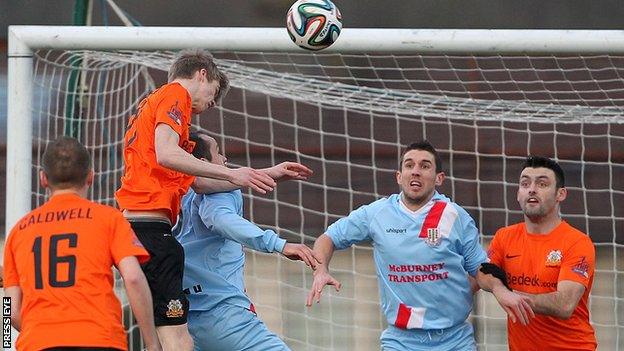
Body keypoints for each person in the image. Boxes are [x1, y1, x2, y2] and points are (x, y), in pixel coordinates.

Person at [115, 50, 280, 350]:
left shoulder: (151, 108)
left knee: (163, 339)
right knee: (177, 340)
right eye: (214, 93)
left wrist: (262, 173)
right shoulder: (176, 94)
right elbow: (167, 152)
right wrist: (278, 244)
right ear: (202, 74)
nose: (212, 103)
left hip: (136, 228)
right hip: (150, 231)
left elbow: (199, 182)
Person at [306, 140, 532, 350]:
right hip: (401, 340)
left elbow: (480, 268)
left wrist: (500, 290)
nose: (415, 170)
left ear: (439, 178)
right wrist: (321, 269)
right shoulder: (376, 214)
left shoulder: (456, 217)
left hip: (454, 339)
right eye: (409, 165)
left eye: (425, 166)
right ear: (399, 176)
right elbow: (328, 238)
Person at [3, 137, 160, 351]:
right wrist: (152, 344)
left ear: (43, 179)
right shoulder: (109, 218)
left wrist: (37, 334)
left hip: (37, 342)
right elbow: (133, 277)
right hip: (99, 339)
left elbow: (9, 310)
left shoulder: (18, 231)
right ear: (90, 177)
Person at [176, 131, 321, 351]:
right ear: (204, 163)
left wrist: (267, 174)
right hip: (223, 316)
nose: (225, 159)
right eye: (218, 152)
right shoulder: (218, 194)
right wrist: (279, 244)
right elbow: (220, 219)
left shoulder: (172, 195)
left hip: (182, 322)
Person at [477, 156, 597, 351]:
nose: (531, 189)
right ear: (518, 193)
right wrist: (500, 291)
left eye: (542, 183)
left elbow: (565, 304)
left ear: (561, 194)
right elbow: (483, 273)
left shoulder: (577, 242)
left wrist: (514, 296)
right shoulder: (504, 237)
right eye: (525, 183)